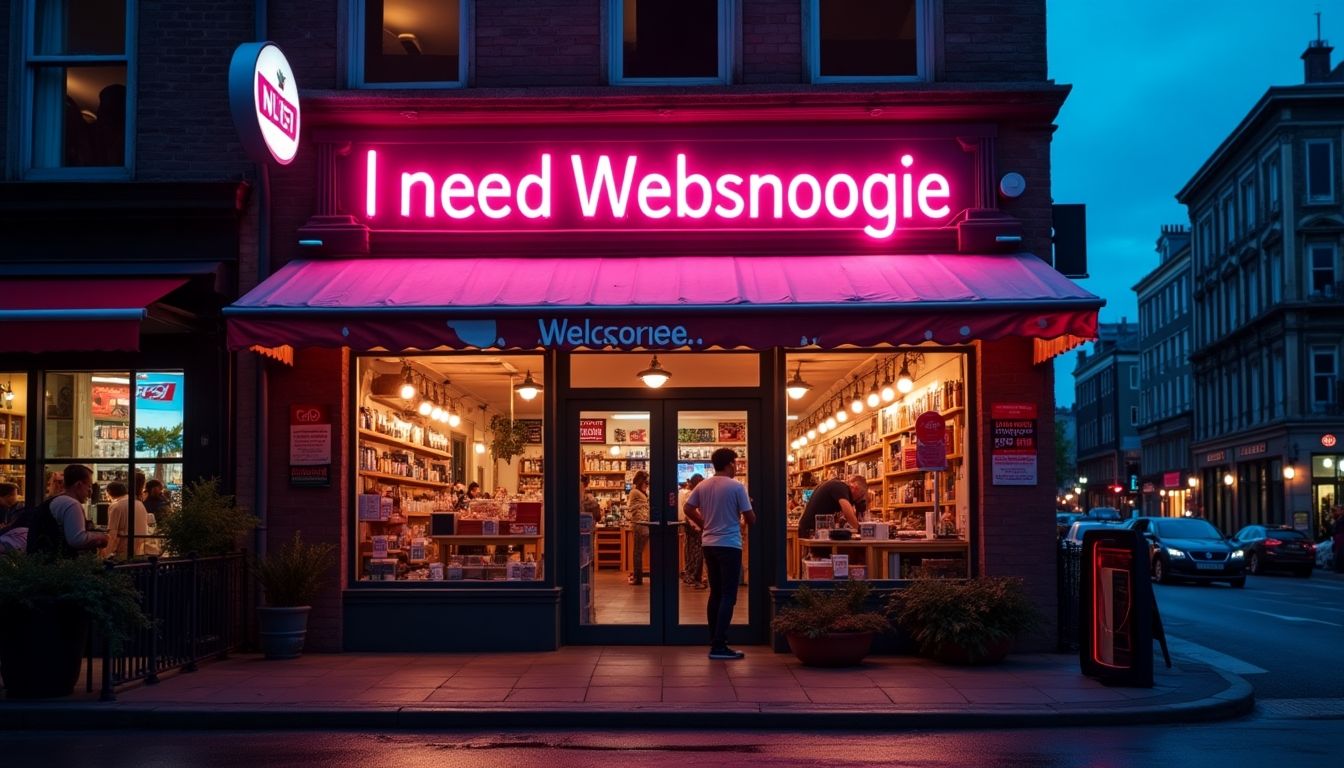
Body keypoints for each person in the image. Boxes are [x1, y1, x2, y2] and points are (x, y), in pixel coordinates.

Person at [684, 448, 754, 660]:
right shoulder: (737, 487)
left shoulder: (703, 485)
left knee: (715, 592)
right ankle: (719, 645)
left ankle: (714, 640)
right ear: (730, 464)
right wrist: (741, 522)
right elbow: (751, 518)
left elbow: (688, 508)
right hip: (730, 544)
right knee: (728, 595)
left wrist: (704, 525)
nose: (736, 467)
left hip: (709, 544)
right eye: (736, 463)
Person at [26, 464, 107, 560]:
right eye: (89, 486)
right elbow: (77, 539)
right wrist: (102, 537)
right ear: (79, 484)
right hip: (58, 566)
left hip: (40, 563)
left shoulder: (55, 500)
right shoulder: (71, 504)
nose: (90, 492)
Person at [797, 475, 868, 539]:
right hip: (811, 530)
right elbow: (847, 513)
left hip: (814, 530)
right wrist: (861, 530)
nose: (859, 499)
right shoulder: (841, 487)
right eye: (861, 495)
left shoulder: (839, 488)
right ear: (856, 488)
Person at [104, 473, 150, 560]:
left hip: (122, 552)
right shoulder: (139, 503)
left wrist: (105, 556)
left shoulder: (116, 506)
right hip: (139, 550)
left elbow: (112, 534)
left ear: (108, 493)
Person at [679, 474, 706, 588]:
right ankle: (695, 578)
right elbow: (692, 511)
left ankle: (690, 576)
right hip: (695, 525)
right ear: (698, 481)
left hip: (689, 525)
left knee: (690, 551)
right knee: (697, 553)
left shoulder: (685, 493)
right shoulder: (693, 494)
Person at [626, 470, 650, 585]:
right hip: (645, 525)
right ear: (641, 481)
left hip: (639, 524)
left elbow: (630, 508)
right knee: (638, 552)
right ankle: (637, 577)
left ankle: (637, 578)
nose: (647, 484)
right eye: (645, 482)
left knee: (637, 552)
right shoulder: (639, 492)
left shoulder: (635, 492)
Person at [1332, 505, 1344, 574]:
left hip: (1341, 538)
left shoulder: (1341, 519)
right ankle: (1338, 567)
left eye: (1338, 510)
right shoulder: (1338, 519)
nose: (1336, 512)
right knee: (1338, 553)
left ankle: (1340, 568)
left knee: (1340, 553)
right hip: (1338, 538)